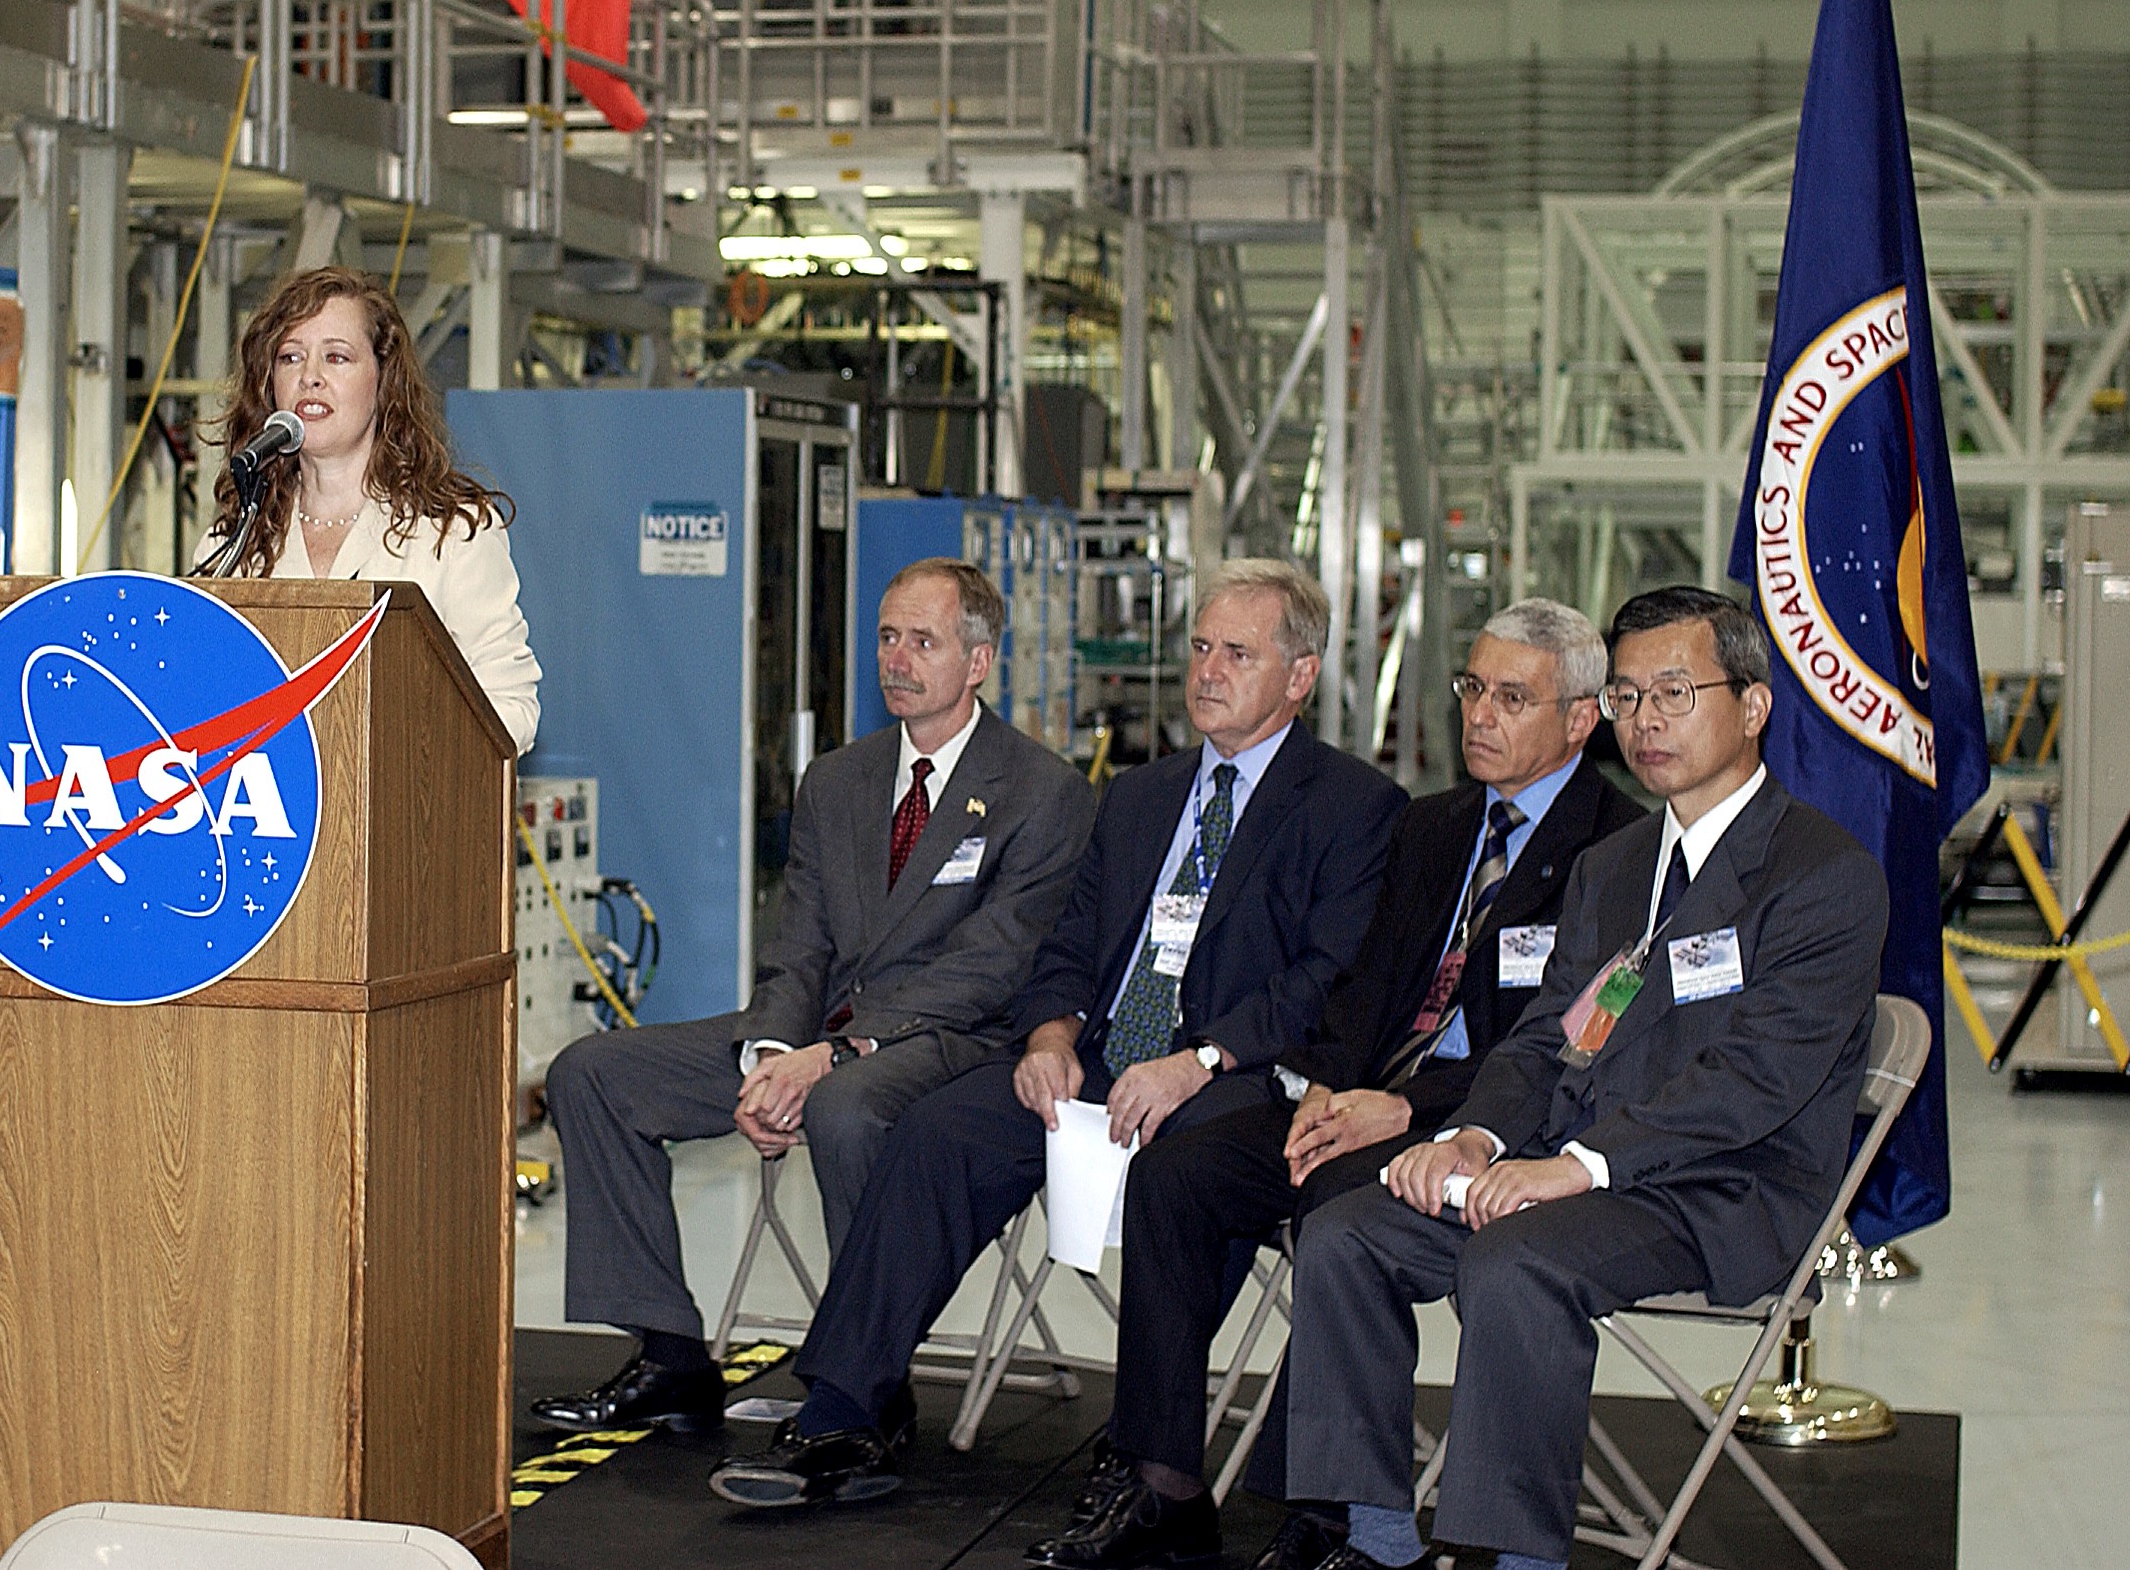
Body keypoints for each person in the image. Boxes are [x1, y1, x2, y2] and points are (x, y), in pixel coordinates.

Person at [711, 557, 1407, 1509]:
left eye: (1237, 653)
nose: (1207, 671)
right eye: (1200, 647)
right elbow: (1070, 941)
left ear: (1300, 676)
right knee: (938, 1131)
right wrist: (1047, 1036)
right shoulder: (1138, 794)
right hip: (1099, 1057)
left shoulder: (1354, 808)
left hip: (1230, 1071)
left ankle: (1145, 1459)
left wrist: (1194, 1062)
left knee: (1184, 1178)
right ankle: (848, 1406)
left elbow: (1321, 980)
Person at [1270, 585, 1888, 1570]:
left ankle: (1513, 1553)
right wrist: (1471, 1135)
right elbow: (1545, 1040)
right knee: (1350, 1232)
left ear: (1755, 704)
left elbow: (1755, 1080)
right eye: (1633, 695)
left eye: (1676, 692)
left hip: (1728, 1185)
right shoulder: (1615, 865)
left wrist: (1580, 1164)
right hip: (1582, 1169)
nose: (1647, 720)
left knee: (1514, 1257)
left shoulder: (1822, 872)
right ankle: (1373, 1529)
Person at [1025, 598, 1640, 1569]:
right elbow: (1362, 983)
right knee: (1181, 1173)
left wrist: (1405, 1106)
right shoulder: (1435, 825)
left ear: (1579, 717)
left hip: (1487, 1125)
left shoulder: (1620, 849)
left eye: (1512, 697)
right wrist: (1323, 1085)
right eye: (1473, 687)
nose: (1480, 714)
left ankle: (1330, 1498)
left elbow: (1568, 1044)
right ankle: (1164, 1481)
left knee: (1336, 1203)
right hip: (1358, 1104)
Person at [529, 558, 1094, 1434]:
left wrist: (832, 1055)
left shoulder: (1043, 792)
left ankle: (866, 1375)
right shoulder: (839, 780)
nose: (896, 659)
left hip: (949, 1041)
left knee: (842, 1105)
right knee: (592, 1072)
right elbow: (801, 944)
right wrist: (766, 1056)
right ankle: (671, 1353)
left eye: (924, 641)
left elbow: (992, 967)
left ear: (978, 661)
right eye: (886, 637)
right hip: (813, 1030)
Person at [201, 265, 539, 754]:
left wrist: (405, 752)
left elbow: (511, 709)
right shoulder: (235, 543)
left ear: (383, 380)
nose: (310, 378)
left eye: (336, 357)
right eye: (290, 357)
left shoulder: (452, 534)